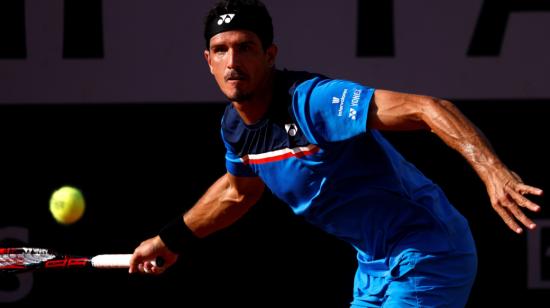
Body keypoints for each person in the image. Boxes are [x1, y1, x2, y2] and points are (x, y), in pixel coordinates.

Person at [129, 0, 543, 306]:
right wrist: (170, 239)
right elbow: (236, 193)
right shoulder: (235, 128)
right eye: (221, 50)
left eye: (246, 47)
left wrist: (493, 172)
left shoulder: (314, 102)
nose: (233, 61)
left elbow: (427, 108)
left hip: (428, 252)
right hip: (372, 268)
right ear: (208, 61)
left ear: (270, 55)